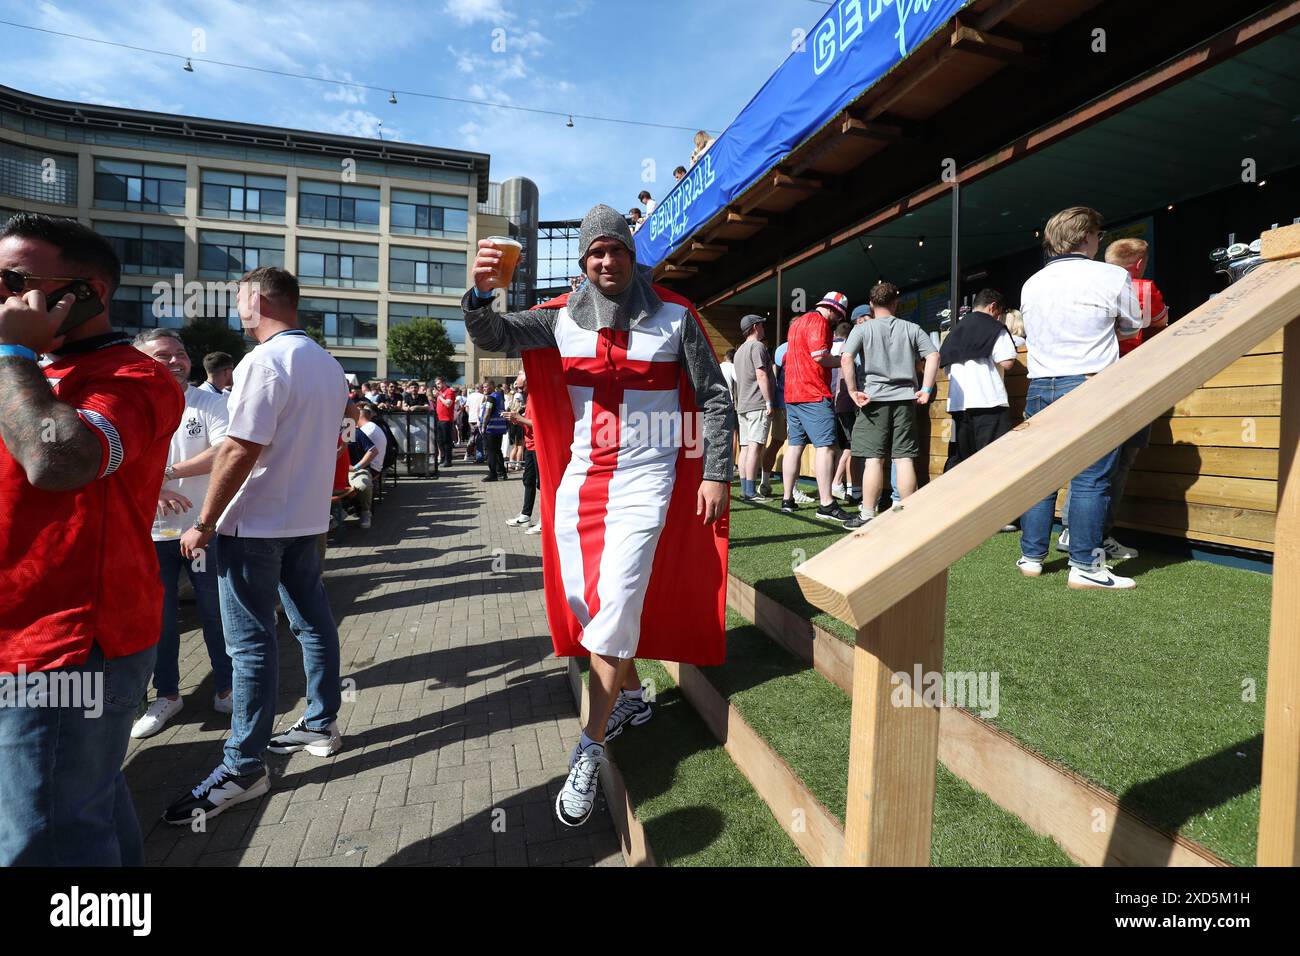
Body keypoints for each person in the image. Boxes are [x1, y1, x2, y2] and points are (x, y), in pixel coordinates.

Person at [463, 203, 732, 828]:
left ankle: (589, 744)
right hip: (581, 479)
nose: (606, 260)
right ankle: (632, 695)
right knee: (586, 602)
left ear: (632, 256)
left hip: (647, 480)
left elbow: (713, 396)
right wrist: (480, 295)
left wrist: (717, 470)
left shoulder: (675, 316)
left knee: (613, 608)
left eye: (615, 249)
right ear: (584, 262)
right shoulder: (560, 318)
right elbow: (495, 337)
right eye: (595, 253)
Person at [0, 213, 184, 865]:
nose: (2, 295)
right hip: (22, 631)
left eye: (15, 281)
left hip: (71, 644)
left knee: (46, 840)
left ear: (87, 293)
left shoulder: (136, 378)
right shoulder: (18, 374)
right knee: (85, 811)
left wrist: (14, 352)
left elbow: (58, 461)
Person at [166, 266, 348, 825]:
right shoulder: (326, 363)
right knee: (310, 622)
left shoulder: (263, 362)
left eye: (240, 299)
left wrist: (206, 520)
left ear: (259, 299)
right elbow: (248, 445)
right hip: (304, 519)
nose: (236, 311)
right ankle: (320, 721)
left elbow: (241, 448)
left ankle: (244, 765)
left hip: (257, 524)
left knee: (251, 646)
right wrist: (174, 469)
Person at [1016, 207, 1145, 590]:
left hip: (1041, 384)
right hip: (1091, 382)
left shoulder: (1031, 282)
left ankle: (1032, 556)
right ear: (1087, 236)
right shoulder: (1111, 274)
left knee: (1041, 475)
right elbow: (1133, 323)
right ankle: (1086, 567)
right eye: (1098, 234)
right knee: (1091, 478)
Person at [130, 328, 233, 739]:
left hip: (203, 531)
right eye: (163, 355)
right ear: (141, 361)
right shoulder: (129, 406)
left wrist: (164, 473)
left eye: (181, 353)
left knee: (215, 613)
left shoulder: (207, 402)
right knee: (160, 621)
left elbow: (224, 452)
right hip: (149, 535)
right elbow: (114, 458)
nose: (176, 361)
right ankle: (167, 694)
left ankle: (226, 687)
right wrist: (150, 485)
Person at [1058, 238, 1170, 559]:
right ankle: (1099, 535)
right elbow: (1162, 332)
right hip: (1131, 384)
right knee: (1118, 464)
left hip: (1086, 382)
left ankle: (1070, 529)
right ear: (1139, 264)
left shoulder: (1083, 286)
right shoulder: (1144, 288)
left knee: (1086, 459)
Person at [840, 282, 940, 529]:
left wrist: (852, 390)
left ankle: (867, 514)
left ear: (871, 304)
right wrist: (926, 389)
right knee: (903, 459)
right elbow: (933, 355)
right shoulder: (912, 328)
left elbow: (846, 357)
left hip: (873, 400)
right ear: (895, 303)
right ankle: (909, 514)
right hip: (906, 399)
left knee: (874, 460)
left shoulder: (863, 329)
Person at [781, 292, 855, 522]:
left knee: (795, 446)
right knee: (827, 447)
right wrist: (842, 359)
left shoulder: (798, 322)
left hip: (792, 393)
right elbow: (820, 356)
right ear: (833, 311)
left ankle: (787, 499)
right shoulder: (819, 322)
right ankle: (826, 504)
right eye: (838, 316)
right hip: (812, 392)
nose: (837, 321)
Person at [938, 288, 1017, 469]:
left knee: (962, 462)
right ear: (993, 307)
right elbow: (1007, 362)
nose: (999, 318)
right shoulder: (994, 327)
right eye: (999, 313)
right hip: (989, 404)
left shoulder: (953, 333)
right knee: (995, 462)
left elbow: (946, 370)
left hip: (959, 406)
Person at [733, 314, 774, 502]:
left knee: (745, 448)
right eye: (762, 325)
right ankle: (750, 492)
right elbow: (761, 374)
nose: (764, 329)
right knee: (755, 447)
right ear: (756, 327)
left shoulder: (739, 350)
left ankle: (745, 489)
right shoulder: (757, 347)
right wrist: (768, 401)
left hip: (742, 404)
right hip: (757, 403)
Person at [505, 372, 542, 532]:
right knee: (528, 480)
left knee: (541, 485)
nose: (518, 390)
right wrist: (516, 420)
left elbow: (541, 423)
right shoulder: (529, 397)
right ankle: (525, 516)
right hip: (530, 444)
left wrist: (519, 419)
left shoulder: (538, 396)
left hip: (538, 446)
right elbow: (529, 422)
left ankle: (544, 521)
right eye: (517, 387)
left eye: (521, 387)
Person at [481, 379, 509, 481]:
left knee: (491, 453)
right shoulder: (499, 396)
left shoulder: (491, 398)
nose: (484, 389)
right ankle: (502, 473)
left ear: (492, 386)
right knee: (497, 451)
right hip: (499, 429)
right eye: (483, 387)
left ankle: (493, 474)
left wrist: (483, 426)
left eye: (486, 386)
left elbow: (487, 413)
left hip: (491, 429)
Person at [433, 374, 456, 467]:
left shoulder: (449, 391)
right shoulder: (440, 392)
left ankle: (448, 460)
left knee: (447, 441)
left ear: (444, 382)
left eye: (439, 383)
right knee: (440, 440)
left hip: (446, 420)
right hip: (439, 419)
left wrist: (440, 396)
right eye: (436, 384)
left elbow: (448, 404)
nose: (438, 385)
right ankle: (442, 458)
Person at [465, 381, 485, 462]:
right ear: (480, 388)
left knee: (472, 437)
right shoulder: (483, 396)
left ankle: (468, 454)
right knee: (479, 438)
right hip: (479, 419)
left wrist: (470, 414)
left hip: (471, 419)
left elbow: (466, 408)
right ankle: (479, 457)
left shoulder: (470, 396)